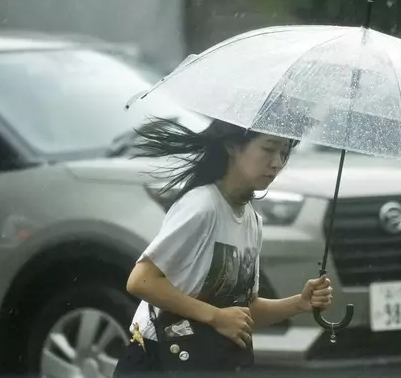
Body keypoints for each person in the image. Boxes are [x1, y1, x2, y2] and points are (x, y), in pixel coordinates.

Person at [114, 117, 334, 375]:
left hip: (207, 362)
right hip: (158, 360)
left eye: (284, 153)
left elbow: (244, 310)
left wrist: (300, 303)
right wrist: (216, 317)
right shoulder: (202, 206)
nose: (277, 163)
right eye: (268, 149)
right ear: (232, 146)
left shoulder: (252, 220)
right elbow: (141, 281)